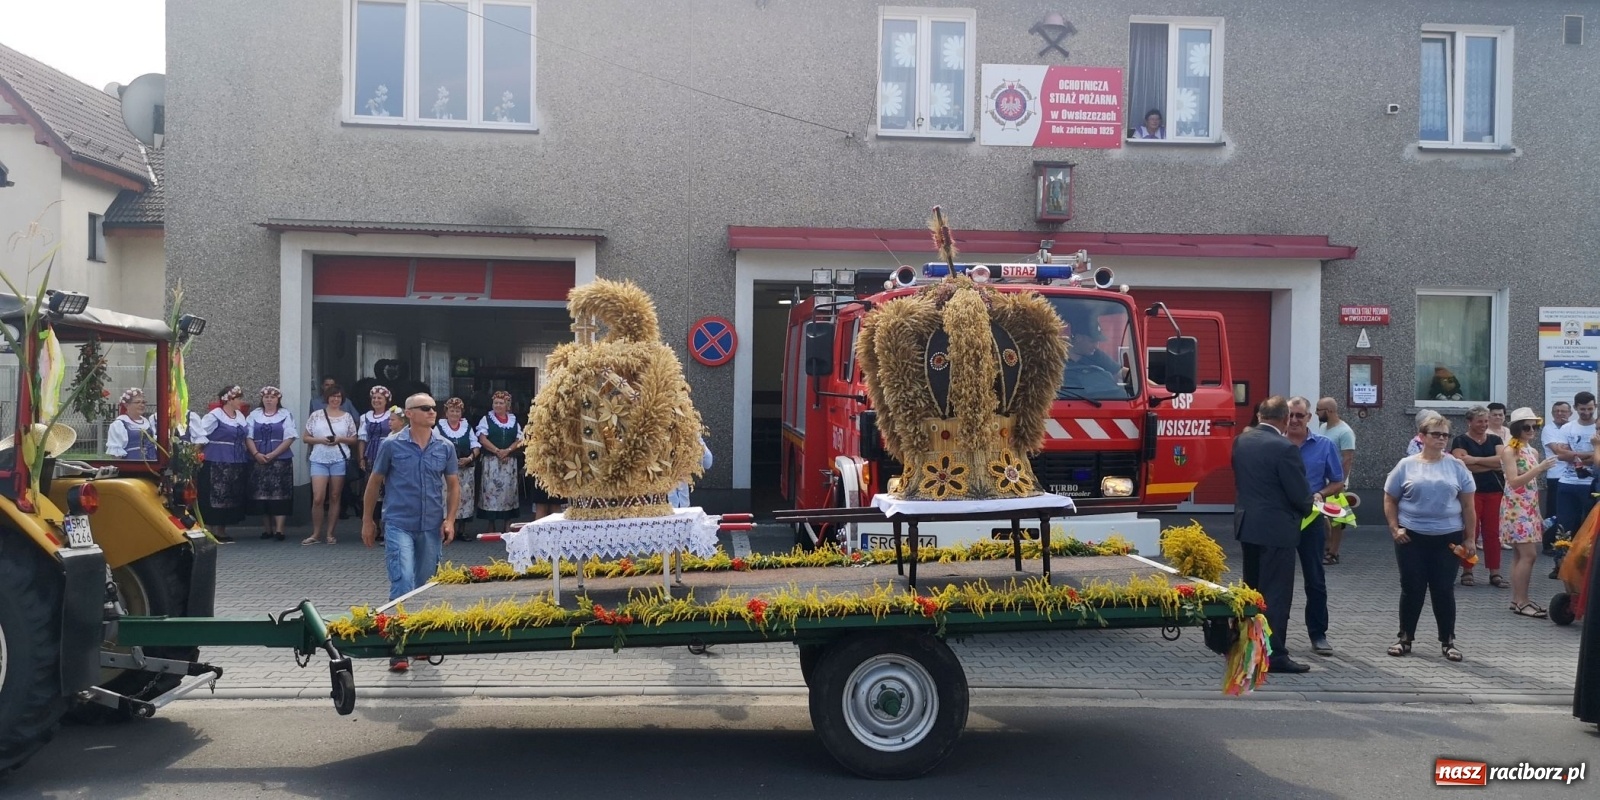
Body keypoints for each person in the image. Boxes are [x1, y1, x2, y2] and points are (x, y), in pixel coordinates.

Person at [362, 393, 459, 672]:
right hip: (398, 524)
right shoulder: (391, 445)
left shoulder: (445, 446)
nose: (432, 412)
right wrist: (367, 520)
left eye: (433, 408)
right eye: (425, 408)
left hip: (431, 526)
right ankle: (398, 647)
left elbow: (453, 485)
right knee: (403, 581)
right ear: (409, 414)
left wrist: (450, 520)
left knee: (424, 585)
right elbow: (374, 482)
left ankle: (420, 641)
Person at [1232, 396, 1316, 674]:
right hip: (1277, 530)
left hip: (1248, 526)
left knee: (1252, 592)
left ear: (1260, 416)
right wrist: (1309, 506)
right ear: (1284, 419)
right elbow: (1298, 493)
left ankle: (1248, 647)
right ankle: (1274, 654)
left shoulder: (1242, 441)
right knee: (1276, 596)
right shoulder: (1285, 448)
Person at [1383, 410, 1476, 663]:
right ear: (1422, 436)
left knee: (1443, 589)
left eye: (1446, 435)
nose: (1442, 439)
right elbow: (1390, 498)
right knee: (1412, 588)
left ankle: (1448, 641)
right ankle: (1405, 638)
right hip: (1411, 538)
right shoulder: (1406, 465)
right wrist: (1394, 528)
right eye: (1436, 434)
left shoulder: (1456, 466)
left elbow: (1468, 506)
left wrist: (1470, 538)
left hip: (1448, 538)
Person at [1285, 397, 1342, 656]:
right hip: (1282, 520)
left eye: (1300, 415)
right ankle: (1275, 635)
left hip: (1311, 520)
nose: (1294, 420)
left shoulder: (1324, 445)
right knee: (1279, 580)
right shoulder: (1277, 444)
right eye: (1290, 415)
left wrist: (1320, 493)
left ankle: (1318, 635)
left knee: (1315, 579)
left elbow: (1337, 482)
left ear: (1309, 417)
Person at [1499, 408, 1559, 618]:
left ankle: (1518, 600)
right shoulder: (1509, 451)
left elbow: (1532, 487)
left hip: (1528, 508)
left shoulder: (1531, 451)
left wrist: (1538, 513)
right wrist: (1539, 469)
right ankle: (1522, 601)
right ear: (1517, 428)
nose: (1532, 430)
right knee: (1529, 555)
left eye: (1535, 426)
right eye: (1527, 427)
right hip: (1516, 509)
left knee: (1520, 555)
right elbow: (1514, 482)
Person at [1451, 406, 1505, 588]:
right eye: (1480, 421)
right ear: (1469, 422)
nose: (1484, 424)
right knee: (1470, 532)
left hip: (1494, 491)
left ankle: (1495, 572)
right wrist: (1490, 464)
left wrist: (1474, 460)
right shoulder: (1460, 440)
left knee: (1493, 533)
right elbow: (1462, 465)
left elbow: (1502, 461)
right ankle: (1467, 570)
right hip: (1470, 493)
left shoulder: (1495, 439)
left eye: (1486, 421)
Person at [302, 383, 358, 545]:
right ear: (327, 398)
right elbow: (306, 437)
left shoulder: (347, 417)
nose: (335, 399)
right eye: (333, 396)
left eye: (339, 397)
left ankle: (330, 533)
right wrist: (321, 440)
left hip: (339, 459)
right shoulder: (316, 415)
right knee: (318, 498)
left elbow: (354, 439)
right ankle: (315, 533)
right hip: (318, 458)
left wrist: (340, 439)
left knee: (335, 496)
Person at [198, 386, 251, 543]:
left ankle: (221, 530)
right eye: (238, 398)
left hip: (236, 461)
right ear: (229, 400)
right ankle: (209, 530)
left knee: (229, 494)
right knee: (213, 494)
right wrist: (195, 455)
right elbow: (200, 435)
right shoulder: (215, 415)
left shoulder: (239, 416)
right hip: (216, 460)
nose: (241, 401)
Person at [245, 387, 296, 542]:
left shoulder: (285, 414)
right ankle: (267, 529)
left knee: (280, 493)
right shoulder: (254, 415)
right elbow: (248, 436)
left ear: (278, 399)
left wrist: (274, 454)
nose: (269, 400)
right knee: (262, 494)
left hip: (280, 460)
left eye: (272, 397)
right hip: (258, 459)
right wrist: (256, 454)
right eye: (266, 397)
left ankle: (280, 530)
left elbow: (290, 437)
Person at [1551, 392, 1599, 543]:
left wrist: (1573, 455)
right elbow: (1561, 455)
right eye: (1582, 409)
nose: (1586, 412)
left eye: (1590, 409)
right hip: (1567, 482)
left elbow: (1597, 460)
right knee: (1565, 525)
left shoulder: (1597, 427)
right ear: (1575, 408)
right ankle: (1563, 556)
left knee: (1589, 528)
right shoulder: (1567, 427)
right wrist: (1590, 454)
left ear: (1595, 406)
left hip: (1592, 484)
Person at [1316, 397, 1357, 565]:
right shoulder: (1323, 428)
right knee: (1322, 514)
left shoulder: (1345, 432)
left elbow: (1347, 459)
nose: (1316, 413)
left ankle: (1333, 553)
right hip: (1322, 481)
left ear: (1329, 411)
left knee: (1336, 518)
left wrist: (1340, 482)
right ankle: (1327, 546)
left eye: (1319, 410)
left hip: (1336, 482)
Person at [476, 390, 523, 532]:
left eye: (501, 403)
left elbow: (519, 439)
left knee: (508, 493)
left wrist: (508, 450)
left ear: (507, 405)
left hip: (509, 462)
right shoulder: (486, 419)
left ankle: (507, 523)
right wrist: (497, 451)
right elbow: (482, 438)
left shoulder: (513, 420)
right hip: (492, 462)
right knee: (491, 492)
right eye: (495, 403)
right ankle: (491, 524)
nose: (497, 405)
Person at [435, 397, 480, 539]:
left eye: (457, 411)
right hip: (446, 471)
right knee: (445, 498)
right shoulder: (439, 427)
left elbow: (476, 446)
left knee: (464, 498)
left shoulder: (467, 427)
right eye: (452, 411)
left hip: (465, 469)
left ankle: (462, 530)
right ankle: (446, 530)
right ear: (446, 412)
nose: (455, 414)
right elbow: (433, 446)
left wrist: (469, 458)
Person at [356, 386, 394, 526]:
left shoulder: (391, 415)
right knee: (372, 489)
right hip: (371, 456)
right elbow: (362, 439)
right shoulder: (365, 417)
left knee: (387, 488)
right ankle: (374, 525)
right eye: (374, 398)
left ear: (386, 401)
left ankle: (388, 526)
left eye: (380, 398)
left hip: (387, 454)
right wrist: (361, 458)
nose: (376, 400)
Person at [1541, 400, 1573, 553]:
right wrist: (1574, 451)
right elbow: (1557, 451)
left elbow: (1570, 449)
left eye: (1563, 411)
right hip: (1555, 475)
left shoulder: (1573, 428)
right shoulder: (1549, 429)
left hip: (1572, 476)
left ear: (1570, 413)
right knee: (1553, 511)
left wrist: (1569, 450)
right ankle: (1548, 544)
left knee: (1570, 511)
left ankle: (1566, 542)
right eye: (1556, 411)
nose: (1560, 414)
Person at [106, 388, 158, 460]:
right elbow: (116, 455)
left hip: (152, 463)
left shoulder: (147, 422)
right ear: (127, 405)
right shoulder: (119, 424)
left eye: (143, 402)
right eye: (137, 402)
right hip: (132, 464)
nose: (142, 405)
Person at [669, 435, 714, 509]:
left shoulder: (690, 437)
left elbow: (708, 463)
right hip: (664, 508)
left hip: (685, 509)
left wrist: (698, 443)